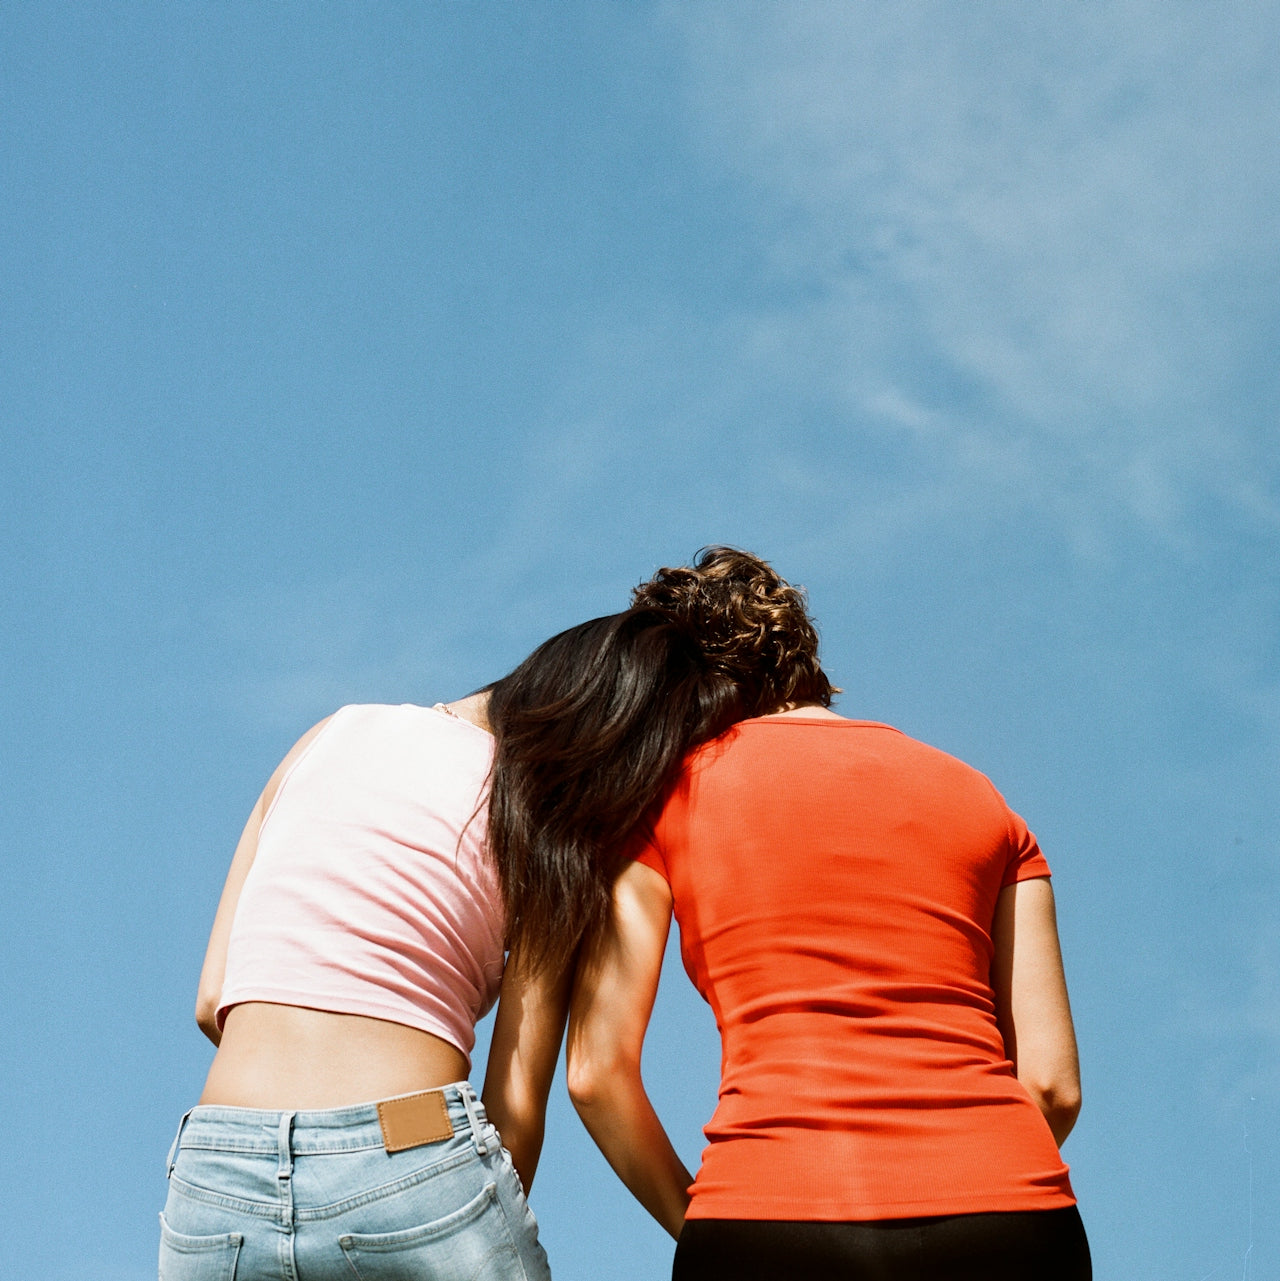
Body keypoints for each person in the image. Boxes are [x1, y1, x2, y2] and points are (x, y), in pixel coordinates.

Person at [161, 602, 764, 1281]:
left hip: (213, 1176)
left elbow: (213, 999)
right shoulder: (540, 821)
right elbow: (515, 1109)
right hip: (407, 1158)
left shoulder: (329, 733)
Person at [560, 548, 1091, 1280]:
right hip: (1012, 1215)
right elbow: (1053, 1085)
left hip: (767, 1214)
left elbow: (595, 1071)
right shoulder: (983, 799)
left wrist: (701, 1225)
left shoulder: (661, 802)